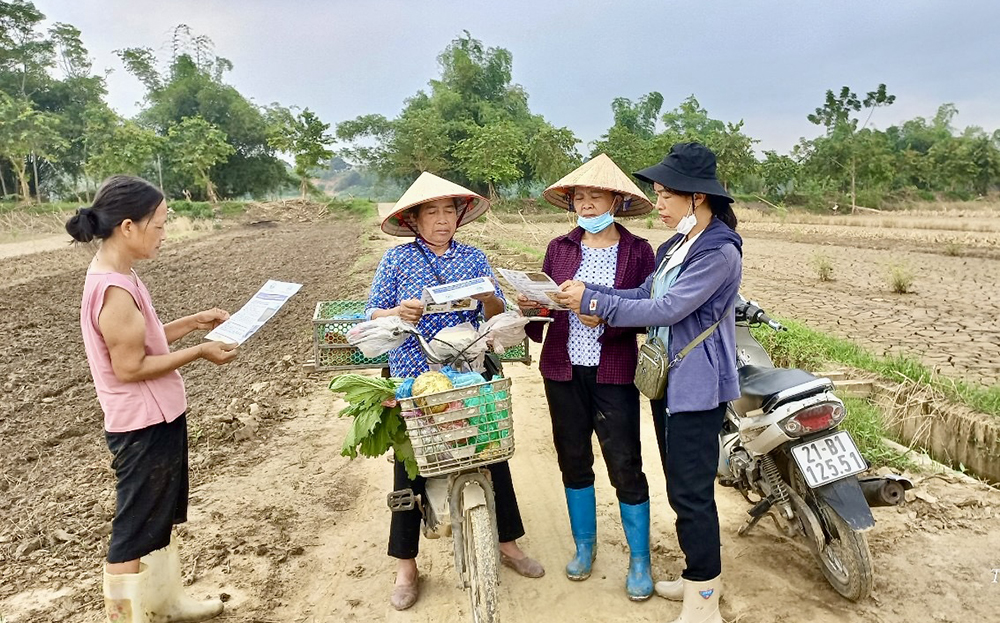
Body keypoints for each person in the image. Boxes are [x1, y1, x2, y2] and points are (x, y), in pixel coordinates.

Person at [554, 143, 742, 623]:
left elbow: (666, 309)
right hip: (669, 384)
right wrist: (591, 294)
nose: (657, 204)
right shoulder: (676, 245)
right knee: (680, 486)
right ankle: (698, 573)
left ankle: (705, 603)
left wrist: (595, 304)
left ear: (696, 198)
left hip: (697, 387)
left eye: (664, 195)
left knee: (693, 493)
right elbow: (643, 293)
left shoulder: (717, 252)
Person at [366, 172, 545, 611]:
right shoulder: (397, 261)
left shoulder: (474, 257)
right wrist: (398, 310)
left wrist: (488, 299)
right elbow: (372, 311)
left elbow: (499, 307)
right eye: (432, 212)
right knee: (413, 460)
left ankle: (507, 543)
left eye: (449, 211)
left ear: (459, 216)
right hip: (414, 363)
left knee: (488, 446)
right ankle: (406, 564)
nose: (442, 220)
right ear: (414, 219)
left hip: (468, 361)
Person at [66, 175, 239, 623]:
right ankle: (125, 616)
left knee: (157, 516)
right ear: (128, 226)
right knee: (133, 526)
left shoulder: (122, 275)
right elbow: (129, 368)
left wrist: (193, 323)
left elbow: (144, 343)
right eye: (159, 225)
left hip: (160, 416)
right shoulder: (113, 290)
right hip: (140, 426)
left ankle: (166, 602)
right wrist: (200, 351)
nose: (164, 234)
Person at [517, 154, 656, 600]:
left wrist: (605, 315)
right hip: (561, 370)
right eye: (580, 197)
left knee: (625, 463)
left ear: (616, 200)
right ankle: (585, 546)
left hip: (613, 372)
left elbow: (649, 313)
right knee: (573, 457)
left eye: (596, 197)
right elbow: (545, 310)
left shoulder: (639, 252)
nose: (587, 205)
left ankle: (639, 560)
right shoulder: (559, 247)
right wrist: (532, 308)